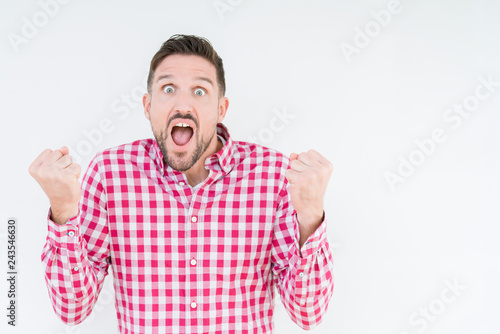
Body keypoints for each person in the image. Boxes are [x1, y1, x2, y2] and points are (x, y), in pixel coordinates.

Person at [29, 34, 334, 333]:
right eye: (169, 88)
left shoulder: (274, 175)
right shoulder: (110, 174)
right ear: (148, 106)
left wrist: (310, 216)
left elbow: (307, 314)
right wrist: (64, 211)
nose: (183, 104)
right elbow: (72, 309)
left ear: (221, 109)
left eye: (200, 91)